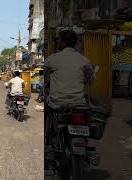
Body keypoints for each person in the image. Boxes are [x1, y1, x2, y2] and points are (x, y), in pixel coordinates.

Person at [44, 30, 95, 174]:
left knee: (47, 114)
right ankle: (84, 144)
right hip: (79, 104)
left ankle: (49, 144)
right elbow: (91, 80)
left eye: (59, 40)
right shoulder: (84, 60)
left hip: (57, 104)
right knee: (88, 116)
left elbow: (46, 76)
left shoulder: (52, 59)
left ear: (62, 42)